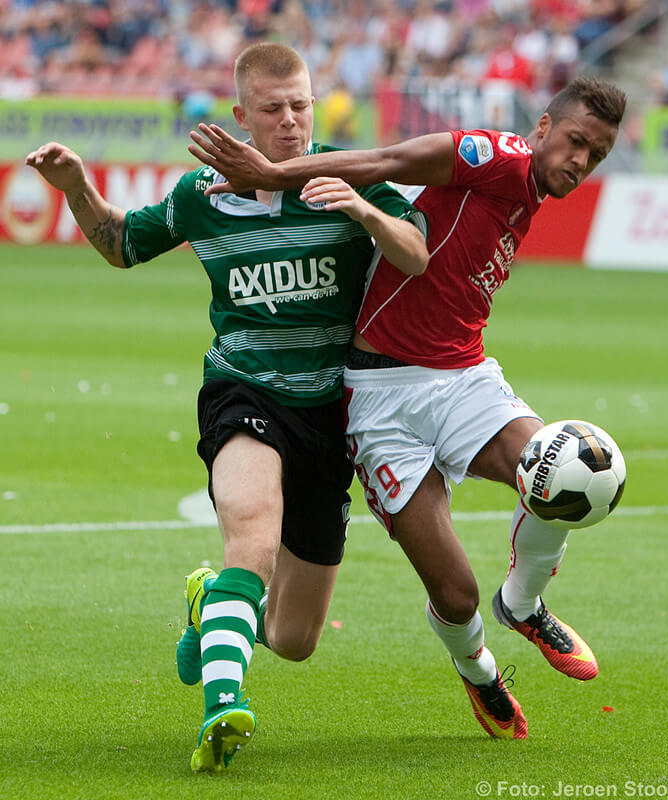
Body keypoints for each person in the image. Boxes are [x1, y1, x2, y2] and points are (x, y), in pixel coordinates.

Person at [25, 42, 428, 772]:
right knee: (251, 537)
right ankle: (222, 709)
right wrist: (76, 187)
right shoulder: (201, 195)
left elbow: (415, 255)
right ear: (241, 116)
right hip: (243, 389)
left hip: (330, 412)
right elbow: (120, 245)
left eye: (300, 104)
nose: (291, 121)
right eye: (272, 109)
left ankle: (210, 598)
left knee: (295, 638)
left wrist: (365, 210)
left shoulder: (345, 174)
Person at [187, 76, 627, 739]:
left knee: (562, 464)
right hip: (384, 399)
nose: (580, 162)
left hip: (466, 378)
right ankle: (480, 673)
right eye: (575, 143)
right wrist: (273, 170)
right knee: (454, 594)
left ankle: (525, 605)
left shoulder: (531, 192)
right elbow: (385, 162)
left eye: (595, 156)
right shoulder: (497, 156)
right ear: (543, 127)